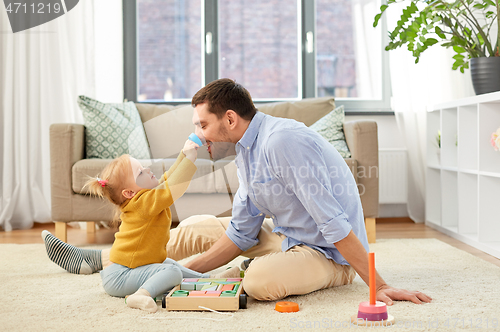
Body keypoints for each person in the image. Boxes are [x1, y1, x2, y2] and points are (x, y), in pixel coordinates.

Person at [44, 78, 431, 306]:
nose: (197, 135)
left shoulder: (282, 142)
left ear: (230, 119)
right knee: (195, 226)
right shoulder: (245, 150)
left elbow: (335, 224)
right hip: (286, 238)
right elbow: (242, 231)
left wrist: (379, 286)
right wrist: (181, 272)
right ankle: (108, 259)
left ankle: (143, 269)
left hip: (327, 253)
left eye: (203, 125)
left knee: (258, 282)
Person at [43, 138, 239, 313]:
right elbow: (173, 187)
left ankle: (210, 279)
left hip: (128, 269)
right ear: (129, 193)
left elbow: (167, 179)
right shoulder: (142, 203)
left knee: (169, 264)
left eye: (143, 168)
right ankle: (142, 294)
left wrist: (183, 154)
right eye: (140, 172)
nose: (147, 170)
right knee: (171, 272)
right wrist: (190, 161)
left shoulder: (145, 197)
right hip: (120, 277)